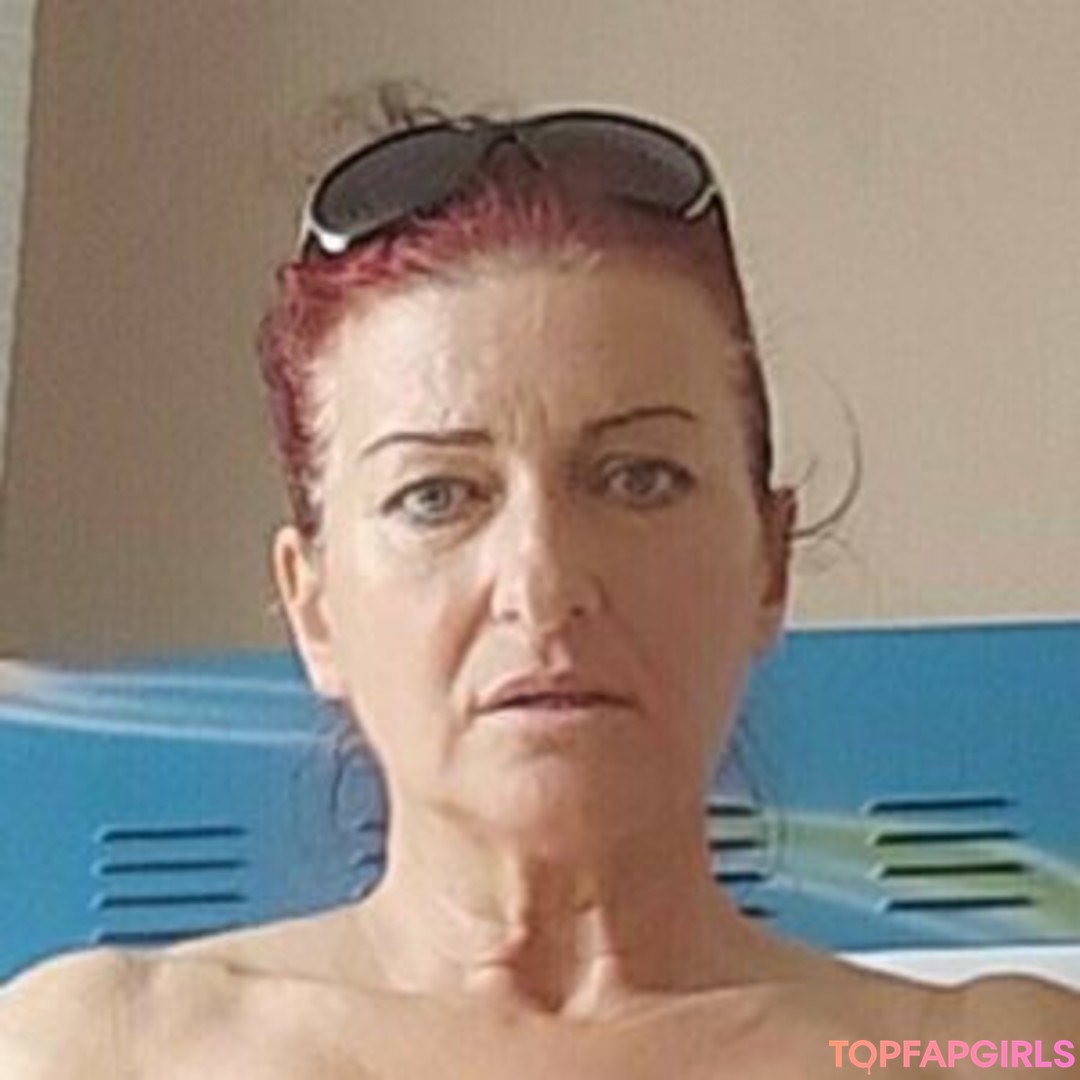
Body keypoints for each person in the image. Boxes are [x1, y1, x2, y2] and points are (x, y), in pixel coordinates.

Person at [1, 100, 1075, 1079]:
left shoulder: (993, 1056)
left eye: (639, 479)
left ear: (769, 562)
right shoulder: (91, 1054)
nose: (545, 584)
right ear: (313, 604)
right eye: (436, 496)